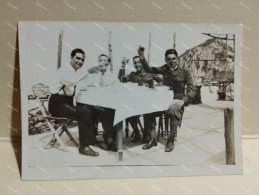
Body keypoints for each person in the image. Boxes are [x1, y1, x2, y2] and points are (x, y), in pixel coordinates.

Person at [138, 46, 196, 152]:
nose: (171, 61)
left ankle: (170, 140)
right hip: (163, 100)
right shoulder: (164, 69)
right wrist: (141, 57)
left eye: (173, 58)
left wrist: (184, 100)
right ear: (165, 60)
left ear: (177, 59)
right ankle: (153, 138)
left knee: (173, 108)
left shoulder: (184, 72)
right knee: (148, 108)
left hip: (177, 101)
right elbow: (149, 70)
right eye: (169, 59)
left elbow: (192, 90)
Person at [48, 48, 99, 157]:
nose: (80, 62)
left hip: (66, 104)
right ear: (71, 58)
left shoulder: (74, 72)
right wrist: (88, 71)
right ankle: (83, 147)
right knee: (84, 112)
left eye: (82, 60)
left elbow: (78, 83)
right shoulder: (63, 70)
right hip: (57, 105)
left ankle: (91, 140)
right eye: (78, 58)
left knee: (91, 109)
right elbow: (72, 82)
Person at [121, 56, 163, 146]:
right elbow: (123, 80)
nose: (137, 64)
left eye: (139, 62)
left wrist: (156, 88)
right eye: (135, 63)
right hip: (138, 102)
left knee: (148, 109)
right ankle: (137, 133)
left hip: (150, 102)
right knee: (126, 110)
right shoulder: (132, 75)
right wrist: (123, 66)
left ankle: (150, 137)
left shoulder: (150, 73)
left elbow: (162, 81)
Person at [85, 54, 118, 152]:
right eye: (101, 60)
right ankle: (94, 138)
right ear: (98, 62)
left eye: (105, 61)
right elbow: (87, 91)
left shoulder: (112, 77)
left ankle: (109, 138)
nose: (103, 62)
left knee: (108, 109)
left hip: (107, 104)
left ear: (108, 64)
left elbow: (115, 92)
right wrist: (95, 103)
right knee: (90, 109)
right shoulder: (92, 76)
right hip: (93, 103)